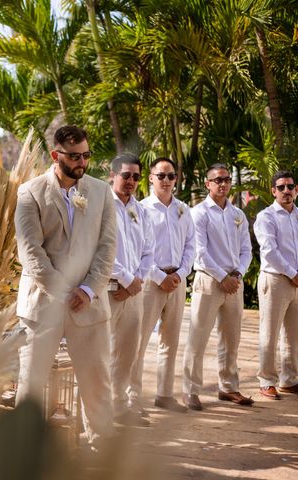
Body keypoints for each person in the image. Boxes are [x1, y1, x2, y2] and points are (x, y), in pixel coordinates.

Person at [14, 125, 117, 445]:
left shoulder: (101, 192)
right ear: (55, 155)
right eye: (74, 156)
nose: (82, 162)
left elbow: (108, 246)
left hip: (89, 303)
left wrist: (88, 289)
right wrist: (61, 291)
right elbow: (30, 251)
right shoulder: (29, 192)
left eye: (86, 155)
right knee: (31, 382)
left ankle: (102, 449)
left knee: (98, 383)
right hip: (43, 304)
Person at [182, 163, 253, 410]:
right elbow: (199, 252)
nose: (222, 184)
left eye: (226, 180)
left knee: (231, 339)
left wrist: (238, 274)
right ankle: (190, 390)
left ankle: (229, 387)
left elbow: (247, 250)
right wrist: (222, 276)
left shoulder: (238, 215)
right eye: (217, 180)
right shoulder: (199, 213)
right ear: (207, 184)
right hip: (209, 281)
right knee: (198, 337)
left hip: (234, 282)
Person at [128, 158, 194, 414]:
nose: (166, 181)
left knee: (171, 341)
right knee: (138, 342)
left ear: (176, 179)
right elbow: (139, 250)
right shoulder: (142, 209)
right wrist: (159, 277)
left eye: (170, 176)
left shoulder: (183, 209)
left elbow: (191, 245)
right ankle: (132, 398)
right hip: (150, 283)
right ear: (151, 178)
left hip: (177, 281)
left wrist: (180, 274)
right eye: (161, 176)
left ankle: (165, 394)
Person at [107, 153, 155, 426]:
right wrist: (126, 280)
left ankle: (120, 406)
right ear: (112, 175)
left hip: (134, 292)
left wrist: (136, 281)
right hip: (108, 290)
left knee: (128, 353)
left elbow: (149, 252)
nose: (131, 181)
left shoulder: (142, 211)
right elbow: (99, 251)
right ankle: (98, 410)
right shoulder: (101, 206)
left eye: (136, 177)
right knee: (101, 352)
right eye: (126, 175)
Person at [253, 170, 298, 399]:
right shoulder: (266, 217)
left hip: (297, 281)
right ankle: (266, 380)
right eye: (281, 187)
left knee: (293, 335)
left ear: (296, 190)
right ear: (273, 191)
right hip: (276, 280)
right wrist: (292, 273)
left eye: (290, 186)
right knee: (269, 333)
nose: (286, 191)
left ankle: (289, 381)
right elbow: (269, 251)